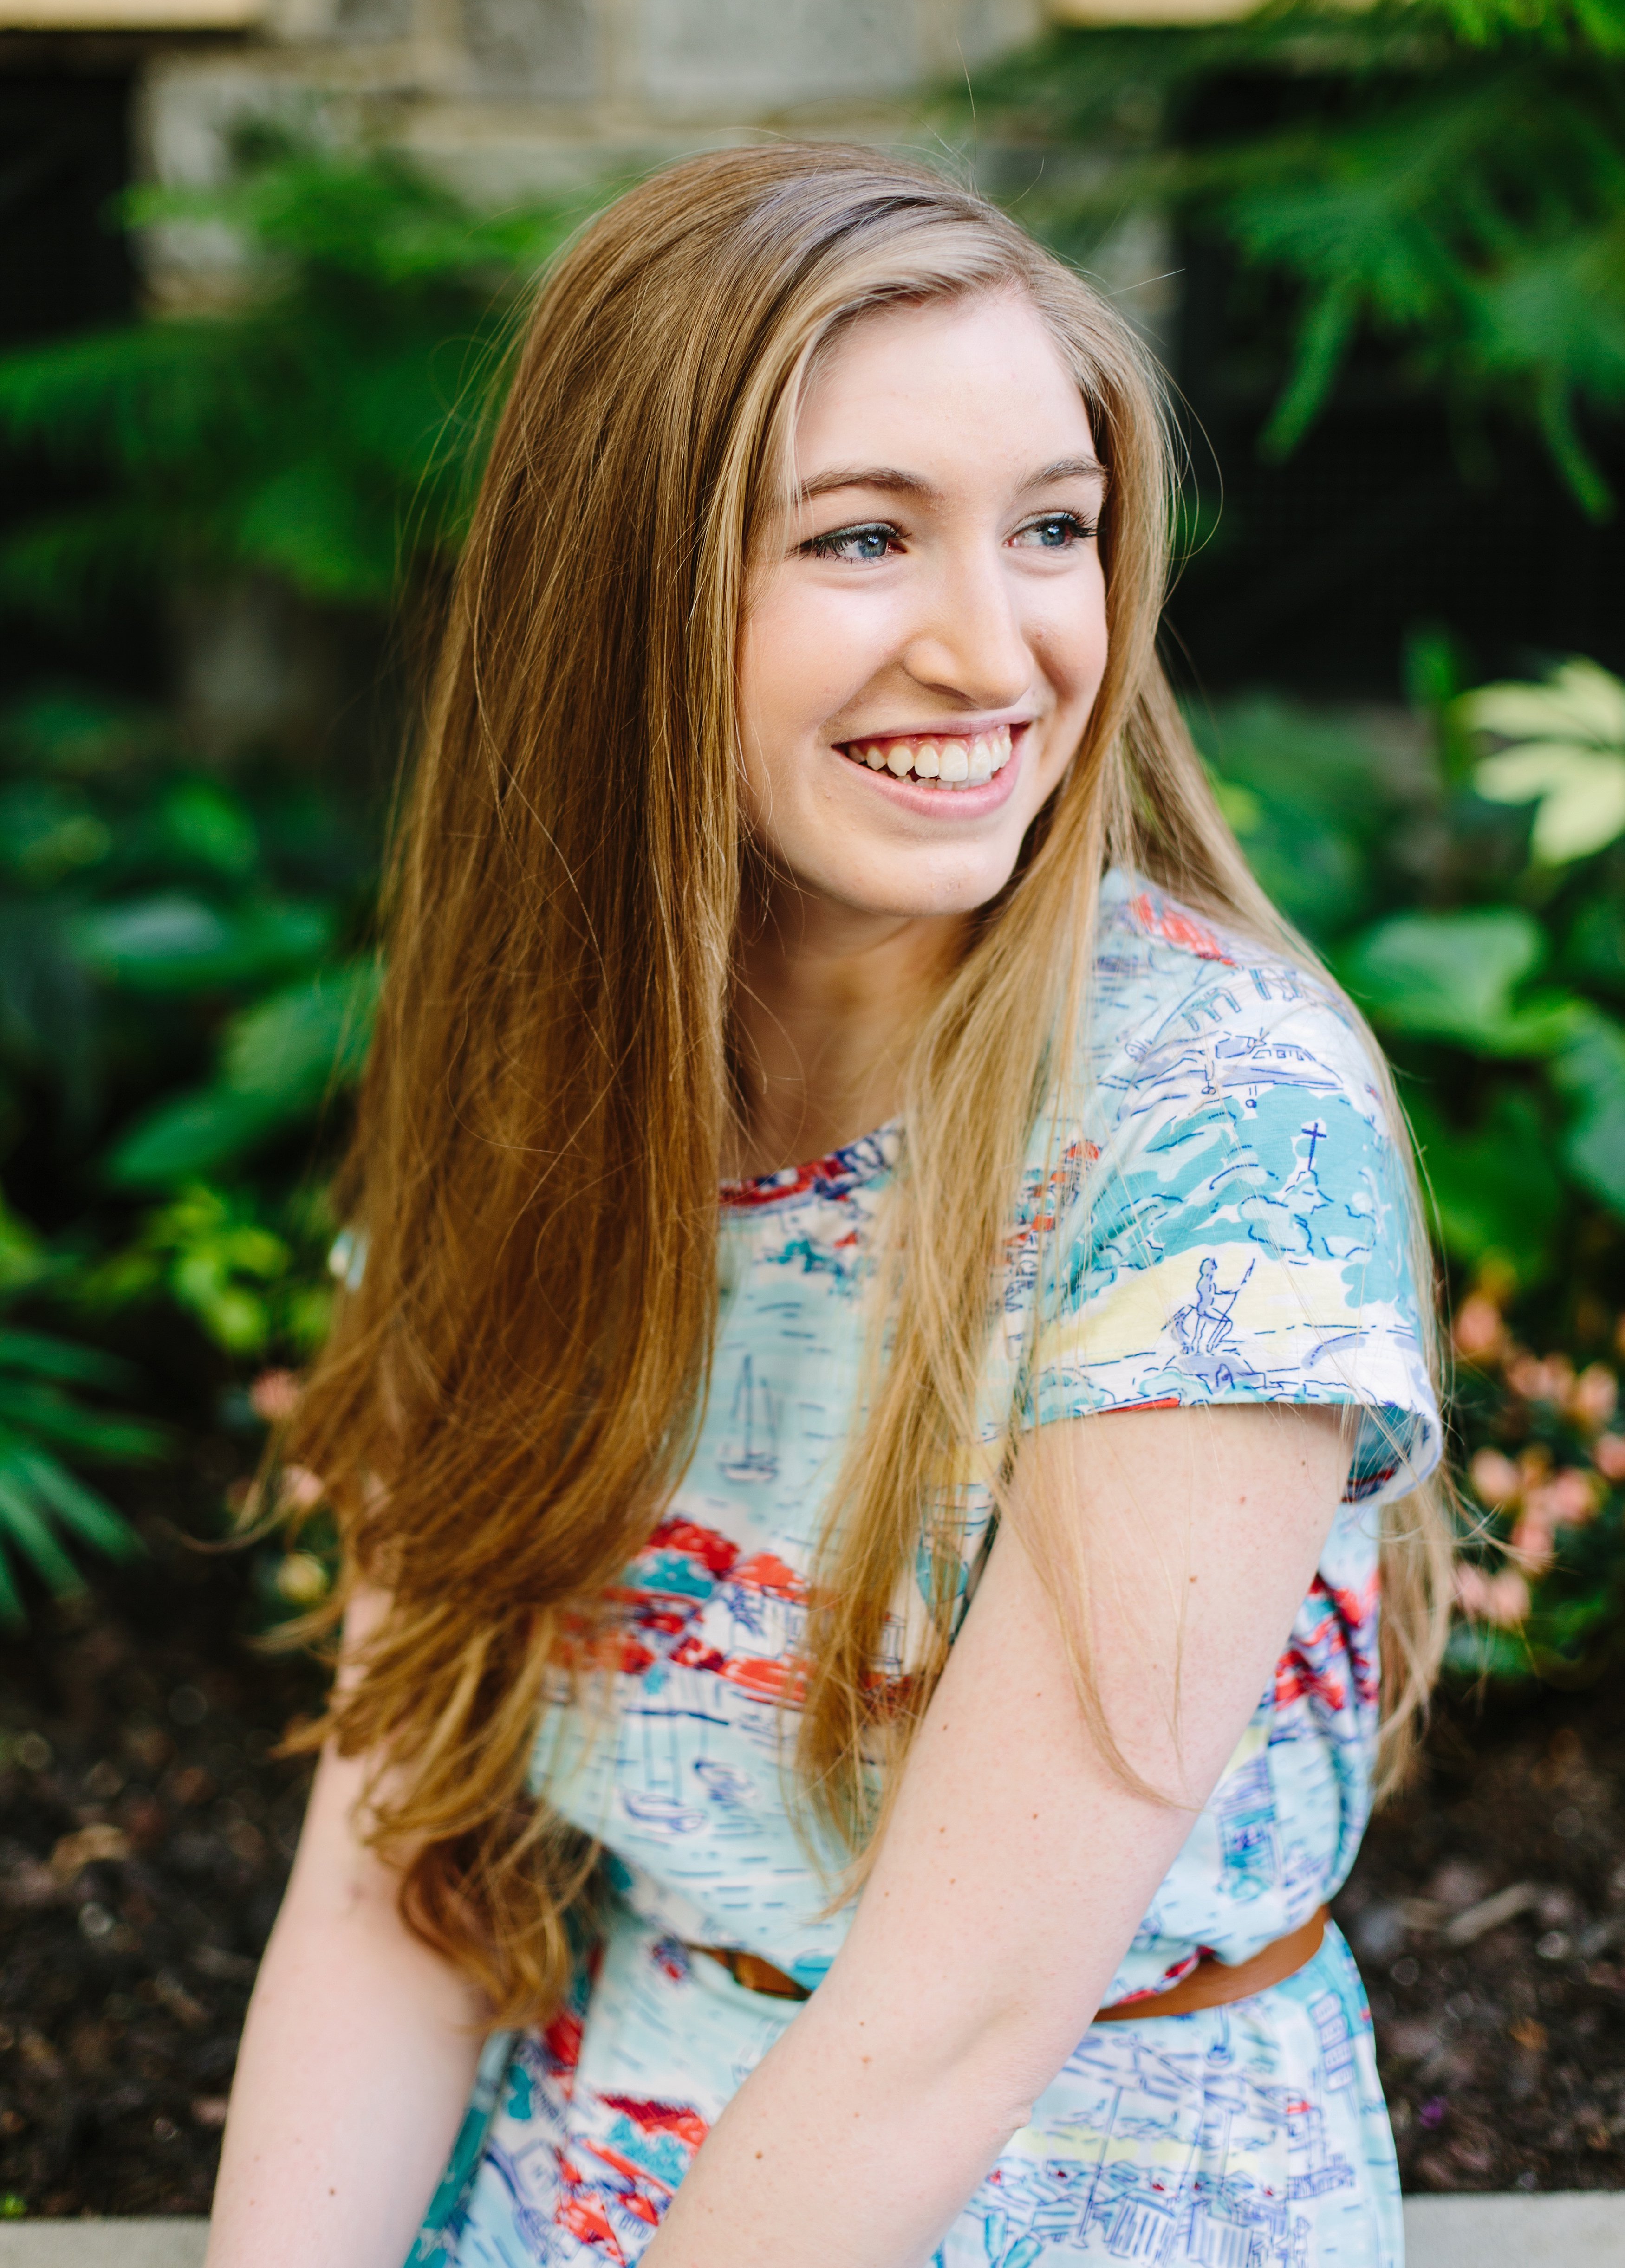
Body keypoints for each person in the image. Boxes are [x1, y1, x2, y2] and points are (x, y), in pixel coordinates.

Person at [206, 145, 1449, 2268]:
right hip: (570, 2154)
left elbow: (942, 2034)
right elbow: (404, 1855)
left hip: (1069, 2191)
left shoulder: (1214, 1138)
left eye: (1051, 530)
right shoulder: (540, 1071)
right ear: (629, 589)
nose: (994, 648)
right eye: (863, 536)